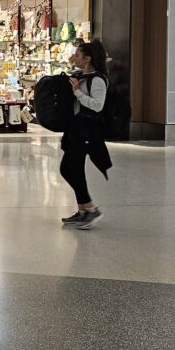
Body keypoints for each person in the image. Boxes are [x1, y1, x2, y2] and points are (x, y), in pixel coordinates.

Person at [60, 39, 112, 230]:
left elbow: (98, 106)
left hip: (87, 131)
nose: (74, 57)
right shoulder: (80, 76)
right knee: (74, 168)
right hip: (76, 129)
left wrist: (77, 93)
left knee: (68, 168)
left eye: (78, 55)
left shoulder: (97, 80)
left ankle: (90, 208)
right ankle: (83, 210)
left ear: (88, 59)